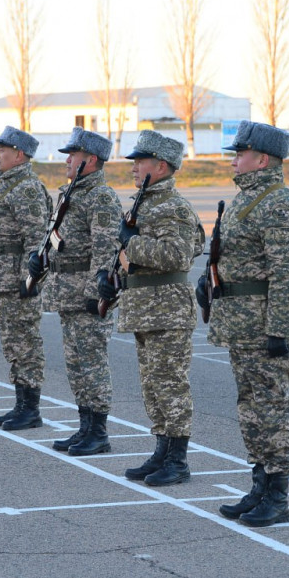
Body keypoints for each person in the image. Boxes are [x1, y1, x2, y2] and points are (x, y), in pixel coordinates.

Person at [199, 121, 289, 526]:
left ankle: (277, 495)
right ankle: (260, 485)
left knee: (271, 410)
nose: (234, 158)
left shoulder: (278, 203)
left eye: (240, 153)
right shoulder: (249, 199)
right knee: (251, 410)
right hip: (242, 326)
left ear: (262, 159)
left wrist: (279, 329)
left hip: (264, 328)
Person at [98, 130, 203, 486]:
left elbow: (179, 254)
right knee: (152, 386)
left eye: (140, 161)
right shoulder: (145, 203)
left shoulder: (172, 207)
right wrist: (110, 275)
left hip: (167, 310)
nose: (133, 166)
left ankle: (178, 459)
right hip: (145, 308)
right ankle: (162, 450)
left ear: (161, 166)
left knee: (171, 385)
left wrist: (134, 244)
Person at [31, 127, 121, 455]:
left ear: (91, 160)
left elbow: (105, 249)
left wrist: (93, 292)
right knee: (75, 363)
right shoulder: (69, 193)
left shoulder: (101, 196)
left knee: (92, 363)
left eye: (73, 155)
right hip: (66, 293)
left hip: (85, 296)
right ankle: (85, 427)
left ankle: (98, 432)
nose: (67, 159)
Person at [0, 126, 52, 430]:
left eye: (3, 151)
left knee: (25, 344)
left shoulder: (27, 189)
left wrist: (29, 282)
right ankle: (21, 403)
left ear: (19, 155)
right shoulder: (7, 187)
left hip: (18, 282)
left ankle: (30, 408)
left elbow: (35, 241)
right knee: (13, 344)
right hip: (2, 278)